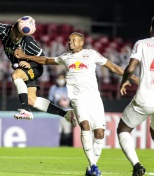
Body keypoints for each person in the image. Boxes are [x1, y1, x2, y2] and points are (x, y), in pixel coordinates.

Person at [14, 32, 139, 176]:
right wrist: (25, 56)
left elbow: (113, 67)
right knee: (85, 126)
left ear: (81, 42)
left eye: (73, 40)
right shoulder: (65, 57)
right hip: (77, 98)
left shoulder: (92, 54)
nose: (70, 42)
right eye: (69, 40)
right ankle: (93, 166)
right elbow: (46, 60)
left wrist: (134, 79)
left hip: (94, 98)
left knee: (100, 133)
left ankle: (92, 167)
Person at [0, 11, 76, 126]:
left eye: (21, 35)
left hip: (35, 68)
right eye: (17, 33)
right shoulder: (3, 29)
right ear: (14, 26)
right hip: (22, 67)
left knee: (16, 75)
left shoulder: (28, 42)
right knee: (32, 100)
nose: (17, 37)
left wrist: (28, 62)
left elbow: (43, 59)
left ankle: (26, 110)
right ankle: (66, 114)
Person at [117, 17, 154, 176]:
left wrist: (124, 81)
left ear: (151, 27)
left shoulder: (142, 43)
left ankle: (137, 166)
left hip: (145, 98)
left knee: (123, 130)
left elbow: (131, 68)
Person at [48, 72, 73, 146]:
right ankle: (57, 145)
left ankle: (67, 145)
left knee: (67, 130)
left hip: (67, 111)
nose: (60, 80)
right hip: (57, 112)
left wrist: (68, 103)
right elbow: (50, 100)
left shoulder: (68, 88)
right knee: (57, 130)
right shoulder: (53, 88)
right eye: (59, 79)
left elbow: (73, 100)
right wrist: (58, 102)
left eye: (62, 78)